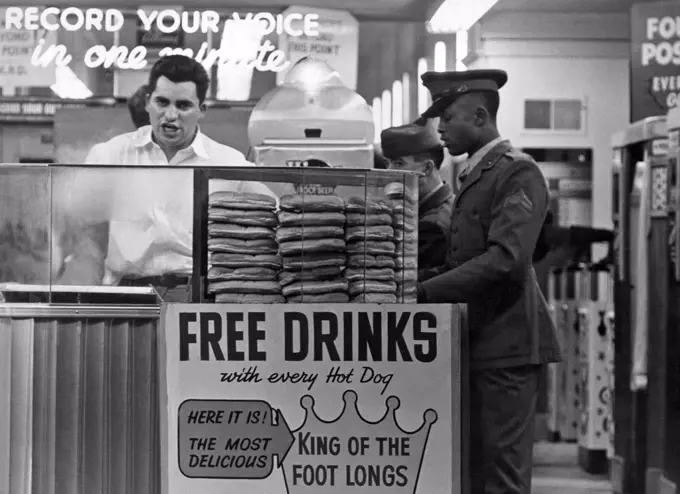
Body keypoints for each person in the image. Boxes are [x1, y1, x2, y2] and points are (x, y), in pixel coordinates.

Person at [416, 69, 562, 494]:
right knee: (477, 471)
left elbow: (505, 260)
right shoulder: (476, 174)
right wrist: (414, 281)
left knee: (501, 475)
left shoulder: (517, 172)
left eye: (448, 116)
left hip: (509, 345)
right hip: (482, 342)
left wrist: (425, 291)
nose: (439, 127)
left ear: (479, 116)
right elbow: (464, 258)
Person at [65, 54, 275, 300]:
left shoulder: (228, 162)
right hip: (127, 295)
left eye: (183, 105)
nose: (170, 115)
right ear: (147, 102)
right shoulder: (111, 155)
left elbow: (275, 216)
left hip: (199, 298)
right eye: (162, 102)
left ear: (201, 110)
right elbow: (80, 224)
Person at [380, 121, 454, 273]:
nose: (389, 172)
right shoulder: (447, 204)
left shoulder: (432, 226)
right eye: (388, 163)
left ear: (427, 168)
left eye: (398, 163)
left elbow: (409, 284)